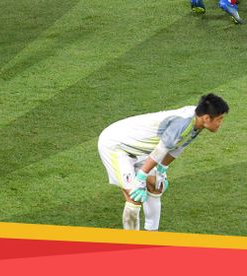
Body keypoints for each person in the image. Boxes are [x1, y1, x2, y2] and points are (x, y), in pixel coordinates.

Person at [97, 93, 229, 231]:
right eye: (219, 119)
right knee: (135, 195)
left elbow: (177, 148)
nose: (220, 123)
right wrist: (141, 177)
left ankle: (152, 235)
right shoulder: (182, 124)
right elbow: (160, 150)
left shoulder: (197, 120)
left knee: (155, 186)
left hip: (140, 149)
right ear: (207, 118)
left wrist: (162, 169)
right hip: (116, 145)